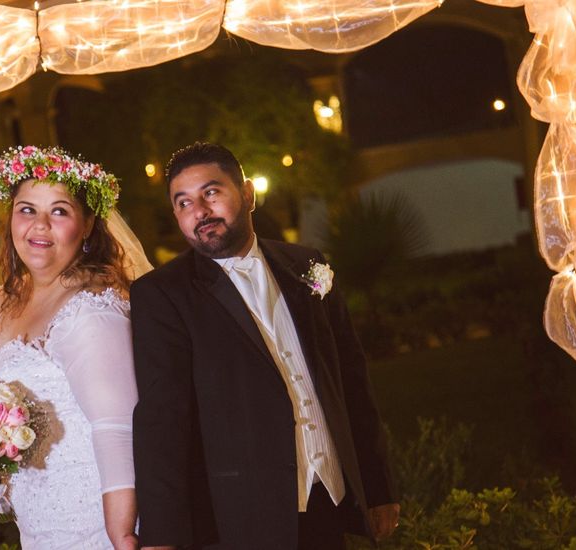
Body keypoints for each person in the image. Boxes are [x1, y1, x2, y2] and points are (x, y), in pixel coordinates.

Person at [131, 142, 399, 549]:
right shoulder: (162, 295)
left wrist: (377, 487)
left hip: (328, 496)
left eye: (211, 192)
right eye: (183, 203)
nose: (199, 211)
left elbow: (351, 382)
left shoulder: (307, 264)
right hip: (243, 517)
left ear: (249, 194)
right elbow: (161, 422)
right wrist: (162, 534)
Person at [0, 145, 148, 550]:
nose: (39, 226)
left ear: (88, 224)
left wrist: (122, 534)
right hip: (37, 520)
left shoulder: (91, 311)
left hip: (92, 520)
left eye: (59, 211)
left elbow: (118, 429)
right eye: (27, 210)